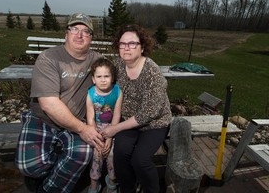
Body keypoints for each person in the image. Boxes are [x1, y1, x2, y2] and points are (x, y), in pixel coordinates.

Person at [15, 13, 105, 193]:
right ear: (66, 34)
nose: (79, 35)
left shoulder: (98, 61)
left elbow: (121, 75)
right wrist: (83, 129)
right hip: (43, 118)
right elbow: (48, 104)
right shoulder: (49, 57)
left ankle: (48, 189)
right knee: (28, 165)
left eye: (86, 32)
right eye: (74, 29)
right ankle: (60, 171)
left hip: (75, 119)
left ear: (91, 38)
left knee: (82, 153)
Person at [101, 24, 173, 193]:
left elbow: (150, 112)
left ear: (142, 47)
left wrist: (115, 128)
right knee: (120, 153)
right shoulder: (117, 66)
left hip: (154, 123)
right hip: (128, 120)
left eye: (132, 43)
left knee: (140, 160)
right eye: (122, 44)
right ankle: (127, 188)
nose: (126, 47)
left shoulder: (152, 72)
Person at [86, 58, 123, 193]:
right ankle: (94, 184)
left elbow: (117, 116)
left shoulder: (117, 92)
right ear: (93, 79)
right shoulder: (90, 94)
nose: (103, 80)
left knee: (113, 153)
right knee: (98, 154)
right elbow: (90, 118)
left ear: (112, 77)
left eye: (106, 76)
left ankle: (112, 182)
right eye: (99, 76)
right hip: (97, 129)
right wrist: (97, 138)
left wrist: (109, 138)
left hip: (113, 127)